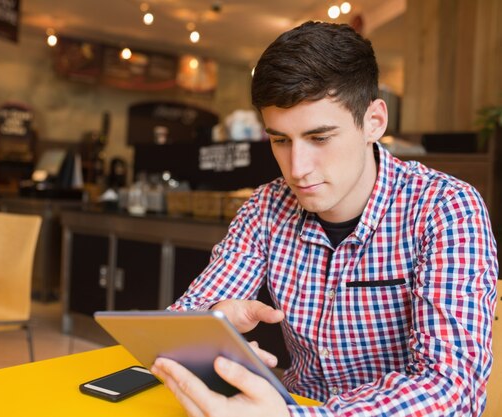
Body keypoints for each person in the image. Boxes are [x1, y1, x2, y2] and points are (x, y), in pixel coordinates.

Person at [150, 21, 499, 417]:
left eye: (319, 138)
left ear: (374, 122)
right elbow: (174, 329)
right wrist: (208, 330)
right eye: (281, 141)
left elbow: (451, 388)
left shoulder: (446, 207)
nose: (297, 169)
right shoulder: (267, 207)